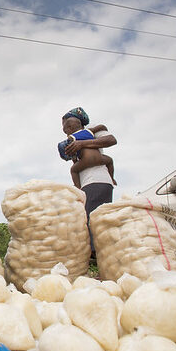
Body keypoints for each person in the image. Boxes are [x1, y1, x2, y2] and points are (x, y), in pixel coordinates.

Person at [61, 107, 117, 256]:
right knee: (96, 218)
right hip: (92, 181)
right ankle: (101, 253)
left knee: (93, 220)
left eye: (66, 126)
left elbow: (111, 140)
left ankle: (97, 254)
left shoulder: (93, 132)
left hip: (96, 180)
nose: (65, 131)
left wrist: (82, 144)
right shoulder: (73, 139)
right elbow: (74, 163)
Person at [59, 119, 115, 189]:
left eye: (66, 132)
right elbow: (100, 127)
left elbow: (73, 156)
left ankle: (78, 188)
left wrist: (74, 161)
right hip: (99, 158)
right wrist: (104, 128)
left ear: (70, 128)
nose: (67, 135)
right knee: (110, 161)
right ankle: (112, 178)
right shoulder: (89, 131)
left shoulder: (71, 138)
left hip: (86, 160)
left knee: (73, 170)